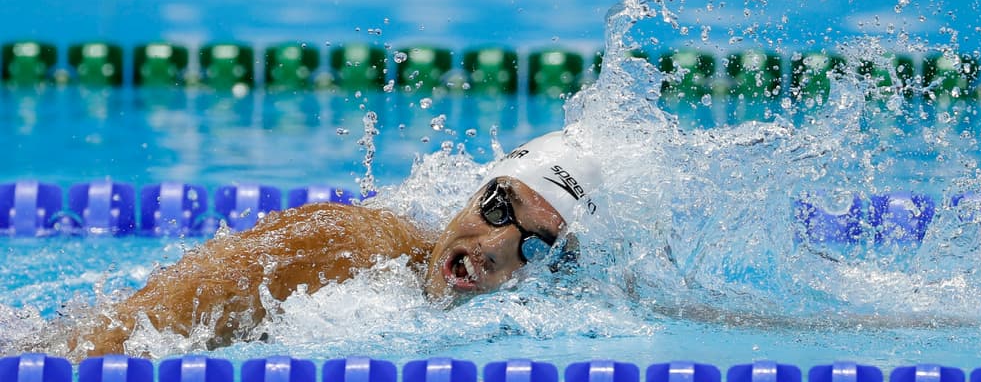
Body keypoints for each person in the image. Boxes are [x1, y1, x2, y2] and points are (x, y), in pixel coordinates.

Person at [64, 131, 602, 357]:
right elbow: (115, 341)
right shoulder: (344, 246)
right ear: (473, 192)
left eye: (538, 246)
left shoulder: (550, 315)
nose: (494, 247)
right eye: (499, 207)